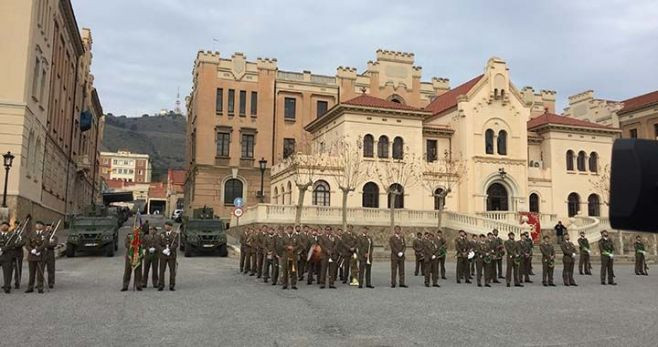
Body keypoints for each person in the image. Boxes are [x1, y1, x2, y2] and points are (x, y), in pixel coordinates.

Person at [25, 221, 47, 293]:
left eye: (40, 225)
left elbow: (45, 244)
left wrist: (37, 250)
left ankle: (40, 287)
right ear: (35, 226)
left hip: (41, 255)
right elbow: (27, 244)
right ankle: (30, 287)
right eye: (37, 224)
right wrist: (31, 250)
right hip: (32, 255)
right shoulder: (31, 234)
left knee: (40, 273)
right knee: (31, 273)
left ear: (43, 226)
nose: (38, 226)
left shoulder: (45, 234)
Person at [158, 222, 179, 291]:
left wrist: (169, 249)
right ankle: (161, 284)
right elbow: (158, 244)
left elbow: (176, 244)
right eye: (165, 225)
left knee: (172, 271)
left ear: (171, 227)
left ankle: (172, 285)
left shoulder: (175, 234)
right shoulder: (161, 234)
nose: (166, 227)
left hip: (171, 255)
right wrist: (163, 250)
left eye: (168, 226)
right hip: (163, 255)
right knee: (162, 270)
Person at [279, 225, 299, 290]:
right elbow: (281, 245)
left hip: (293, 256)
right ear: (287, 230)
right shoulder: (283, 237)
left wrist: (294, 248)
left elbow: (299, 245)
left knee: (293, 270)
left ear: (292, 230)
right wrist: (287, 247)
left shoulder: (295, 237)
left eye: (291, 229)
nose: (290, 230)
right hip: (285, 256)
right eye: (289, 229)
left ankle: (293, 284)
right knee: (285, 270)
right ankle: (285, 284)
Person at [0, 221, 15, 293]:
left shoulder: (11, 235)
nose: (4, 226)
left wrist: (2, 249)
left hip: (7, 256)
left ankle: (7, 286)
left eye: (6, 225)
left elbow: (12, 244)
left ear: (8, 227)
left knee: (7, 273)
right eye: (3, 225)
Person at [43, 223, 58, 289]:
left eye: (50, 227)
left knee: (51, 269)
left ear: (52, 229)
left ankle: (51, 282)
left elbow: (54, 244)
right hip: (42, 254)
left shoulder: (54, 237)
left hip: (50, 254)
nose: (49, 228)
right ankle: (39, 282)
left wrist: (46, 244)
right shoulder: (42, 235)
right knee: (40, 268)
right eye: (47, 227)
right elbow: (39, 242)